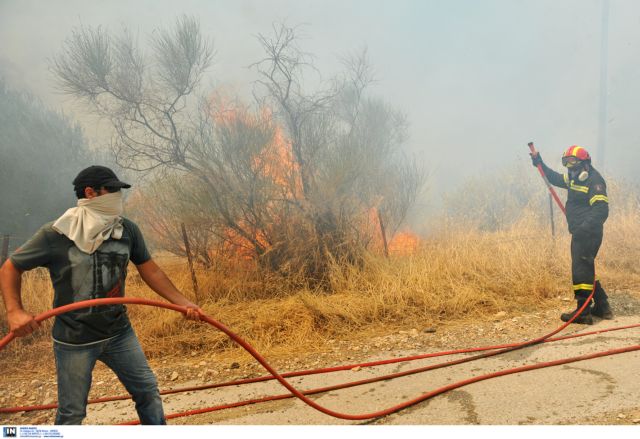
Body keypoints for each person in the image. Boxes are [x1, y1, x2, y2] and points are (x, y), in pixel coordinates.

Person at [0, 165, 203, 425]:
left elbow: (151, 270)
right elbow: (11, 267)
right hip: (74, 340)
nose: (119, 196)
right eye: (113, 190)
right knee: (72, 413)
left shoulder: (126, 230)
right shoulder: (57, 233)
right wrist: (15, 311)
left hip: (119, 333)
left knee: (148, 392)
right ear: (90, 192)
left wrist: (183, 303)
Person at [531, 146, 612, 325]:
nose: (569, 167)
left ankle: (583, 312)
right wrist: (540, 163)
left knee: (580, 269)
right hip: (581, 232)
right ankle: (602, 306)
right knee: (586, 266)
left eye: (573, 163)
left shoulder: (595, 181)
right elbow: (555, 178)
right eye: (566, 163)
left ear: (585, 164)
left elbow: (601, 210)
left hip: (588, 233)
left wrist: (583, 228)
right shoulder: (575, 178)